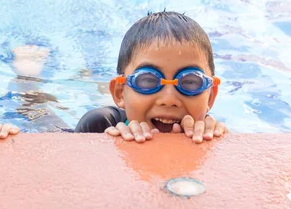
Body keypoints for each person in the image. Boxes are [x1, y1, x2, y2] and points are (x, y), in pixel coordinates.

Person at [75, 11, 227, 143]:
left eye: (190, 82)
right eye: (147, 81)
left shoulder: (214, 134)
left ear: (210, 96)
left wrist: (218, 144)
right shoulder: (100, 126)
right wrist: (109, 148)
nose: (168, 100)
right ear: (120, 92)